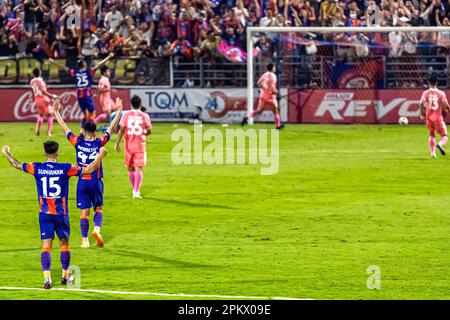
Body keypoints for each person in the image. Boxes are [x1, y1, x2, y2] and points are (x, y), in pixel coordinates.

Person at [1, 140, 108, 289]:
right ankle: (65, 276)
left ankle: (47, 280)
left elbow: (17, 164)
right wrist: (101, 155)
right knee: (64, 244)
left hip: (44, 214)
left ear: (45, 153)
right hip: (61, 214)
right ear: (57, 153)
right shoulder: (66, 168)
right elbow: (89, 169)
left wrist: (6, 152)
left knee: (46, 246)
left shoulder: (36, 168)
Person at [53, 98, 123, 248]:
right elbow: (111, 127)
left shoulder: (77, 142)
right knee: (98, 208)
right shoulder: (100, 142)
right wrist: (118, 110)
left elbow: (64, 128)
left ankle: (85, 241)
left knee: (83, 214)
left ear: (83, 131)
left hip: (82, 182)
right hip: (96, 181)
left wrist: (56, 112)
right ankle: (97, 229)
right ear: (95, 131)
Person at [48, 54, 114, 128]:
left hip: (80, 96)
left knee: (84, 114)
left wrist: (53, 62)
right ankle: (91, 130)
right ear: (84, 65)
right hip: (88, 95)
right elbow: (99, 64)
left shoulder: (75, 72)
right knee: (92, 113)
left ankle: (82, 131)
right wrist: (108, 57)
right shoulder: (89, 71)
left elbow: (64, 68)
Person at [115, 95, 152, 199]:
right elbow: (148, 131)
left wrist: (117, 143)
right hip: (139, 145)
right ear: (140, 104)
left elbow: (121, 130)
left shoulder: (126, 115)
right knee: (138, 168)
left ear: (131, 104)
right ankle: (136, 191)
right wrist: (144, 132)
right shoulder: (144, 116)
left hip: (128, 145)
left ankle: (134, 190)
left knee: (130, 168)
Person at [241, 63, 284, 130]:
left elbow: (258, 83)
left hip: (263, 95)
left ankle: (247, 117)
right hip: (270, 97)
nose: (275, 68)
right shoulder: (273, 76)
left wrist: (264, 88)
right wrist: (275, 91)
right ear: (272, 68)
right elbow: (272, 87)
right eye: (274, 67)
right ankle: (278, 126)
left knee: (259, 111)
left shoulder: (265, 74)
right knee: (276, 112)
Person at [420, 74, 450, 158]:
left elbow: (421, 103)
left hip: (428, 117)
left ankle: (433, 153)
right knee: (444, 136)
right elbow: (446, 104)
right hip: (437, 117)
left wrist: (422, 113)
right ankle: (440, 145)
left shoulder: (425, 93)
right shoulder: (441, 93)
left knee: (431, 134)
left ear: (428, 83)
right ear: (437, 83)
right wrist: (448, 109)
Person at [30, 68, 57, 136]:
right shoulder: (41, 81)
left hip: (37, 99)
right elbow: (44, 92)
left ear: (33, 74)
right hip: (43, 99)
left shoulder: (32, 81)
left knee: (40, 115)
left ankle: (37, 130)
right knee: (50, 115)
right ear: (40, 73)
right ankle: (48, 132)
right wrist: (52, 95)